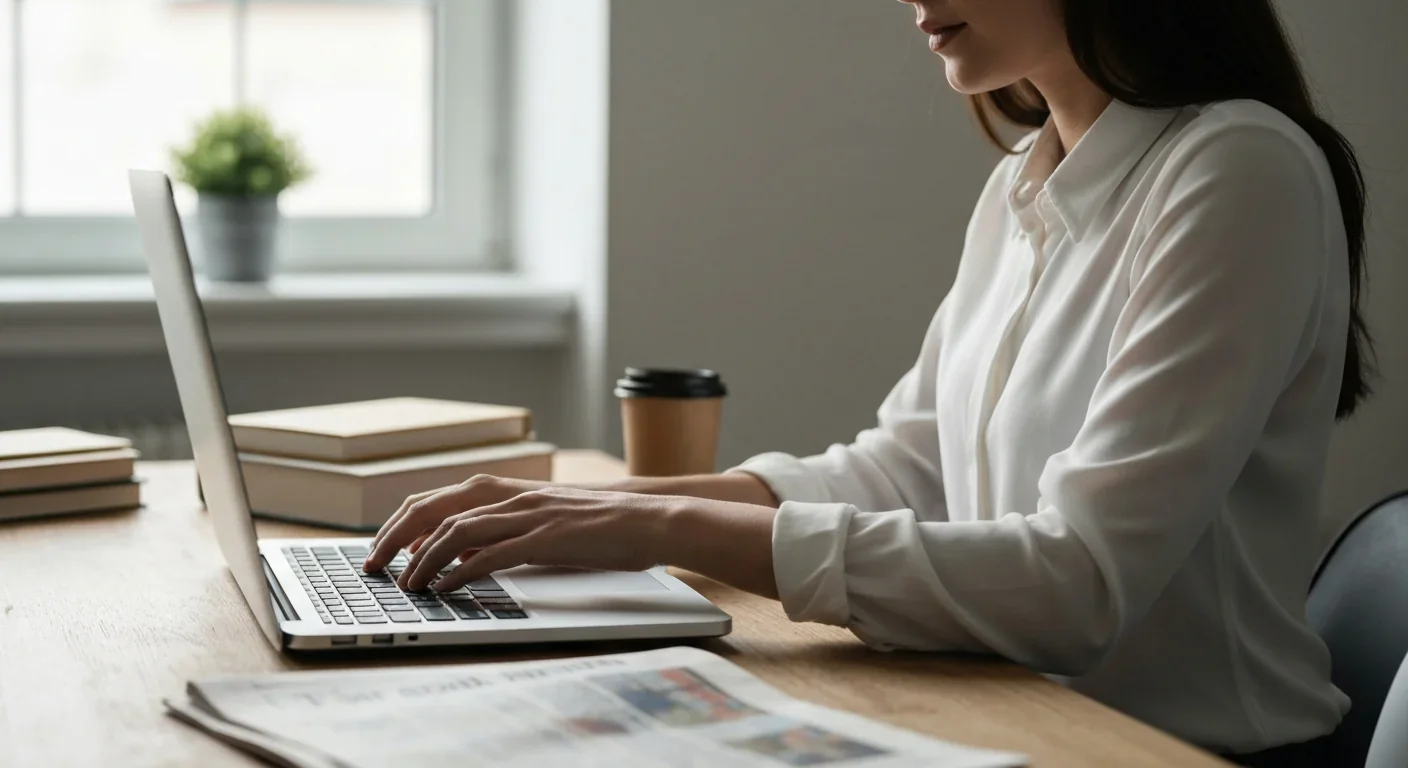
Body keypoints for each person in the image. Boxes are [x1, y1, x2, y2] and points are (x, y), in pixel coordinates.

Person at [363, 0, 1372, 762]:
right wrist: (583, 509)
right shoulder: (1027, 178)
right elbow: (908, 465)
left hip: (1184, 751)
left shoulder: (1239, 167)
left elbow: (1081, 581)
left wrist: (659, 529)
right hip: (1019, 722)